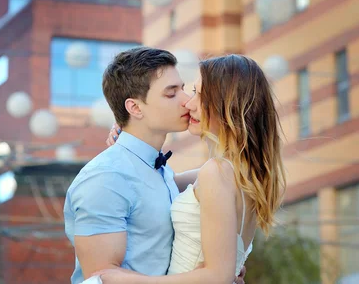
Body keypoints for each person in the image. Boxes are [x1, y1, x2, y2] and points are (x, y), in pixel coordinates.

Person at [94, 54, 287, 284]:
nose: (188, 103)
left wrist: (123, 279)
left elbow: (217, 275)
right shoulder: (239, 173)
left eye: (199, 94)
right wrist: (131, 131)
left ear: (227, 104)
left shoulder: (216, 173)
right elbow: (159, 182)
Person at [64, 47, 245, 284]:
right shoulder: (105, 179)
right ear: (135, 108)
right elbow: (100, 278)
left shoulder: (161, 172)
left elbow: (224, 175)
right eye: (171, 94)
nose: (187, 101)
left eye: (183, 89)